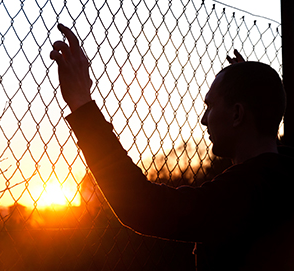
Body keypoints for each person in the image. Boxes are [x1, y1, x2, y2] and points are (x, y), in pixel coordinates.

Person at [50, 24, 294, 270]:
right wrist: (249, 85)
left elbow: (140, 204)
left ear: (237, 114)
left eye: (210, 106)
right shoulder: (283, 177)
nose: (204, 119)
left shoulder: (243, 194)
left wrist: (81, 104)